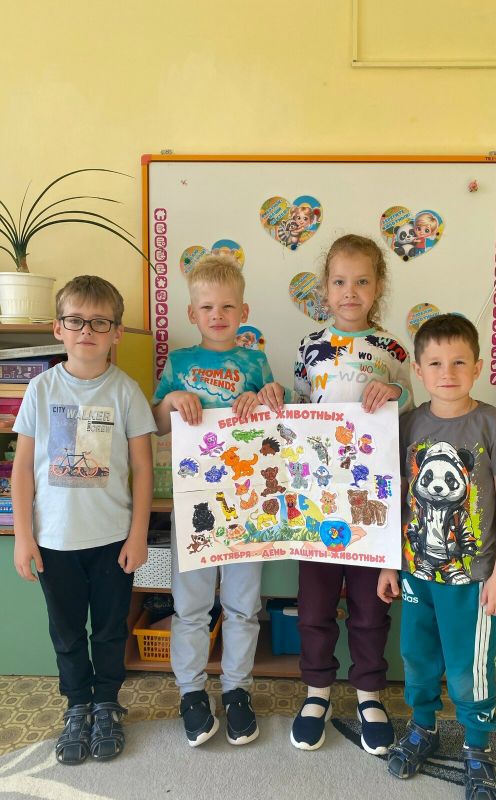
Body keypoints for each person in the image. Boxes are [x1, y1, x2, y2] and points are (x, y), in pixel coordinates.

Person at [258, 234, 413, 754]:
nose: (351, 291)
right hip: (318, 500)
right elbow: (300, 411)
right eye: (340, 281)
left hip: (372, 502)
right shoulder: (310, 346)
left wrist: (396, 391)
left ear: (378, 287)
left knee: (370, 609)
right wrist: (276, 396)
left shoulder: (393, 350)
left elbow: (411, 408)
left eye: (362, 281)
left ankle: (369, 695)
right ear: (325, 289)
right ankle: (317, 692)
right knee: (315, 606)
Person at [377, 313, 496, 800]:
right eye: (436, 363)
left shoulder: (494, 424)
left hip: (474, 580)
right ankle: (423, 728)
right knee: (416, 658)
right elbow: (392, 498)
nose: (448, 372)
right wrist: (388, 563)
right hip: (416, 574)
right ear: (418, 371)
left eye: (459, 362)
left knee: (469, 669)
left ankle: (478, 748)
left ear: (478, 367)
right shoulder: (406, 425)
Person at [12, 275, 156, 765]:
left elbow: (142, 469)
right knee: (68, 632)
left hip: (113, 540)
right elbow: (22, 469)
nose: (87, 331)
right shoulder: (40, 388)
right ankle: (77, 705)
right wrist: (24, 537)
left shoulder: (127, 392)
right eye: (76, 321)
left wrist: (138, 535)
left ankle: (108, 702)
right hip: (54, 542)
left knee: (111, 630)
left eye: (99, 322)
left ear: (117, 332)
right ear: (58, 328)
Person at [152, 254, 276, 748]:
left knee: (243, 605)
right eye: (207, 307)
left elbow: (276, 418)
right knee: (192, 606)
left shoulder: (255, 363)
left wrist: (265, 396)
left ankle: (237, 690)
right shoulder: (179, 363)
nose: (217, 315)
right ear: (192, 313)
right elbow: (157, 422)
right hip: (194, 502)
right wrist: (171, 401)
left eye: (227, 307)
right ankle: (191, 692)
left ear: (243, 311)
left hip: (246, 503)